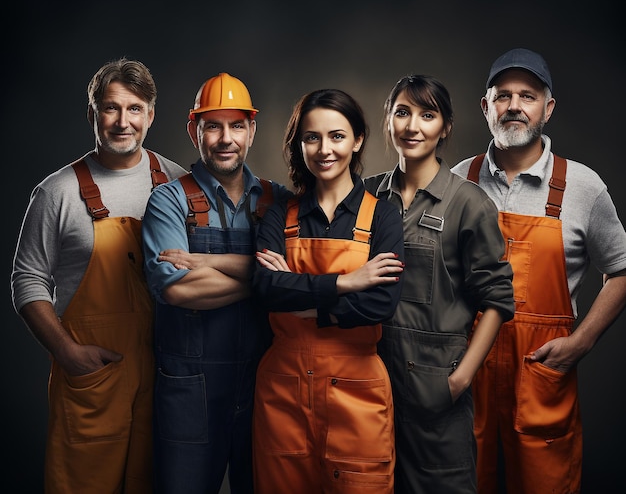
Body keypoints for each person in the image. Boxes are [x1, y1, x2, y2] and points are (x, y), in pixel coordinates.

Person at [451, 48, 626, 494]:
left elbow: (622, 270)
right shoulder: (457, 180)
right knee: (463, 478)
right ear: (485, 107)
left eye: (527, 96)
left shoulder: (583, 186)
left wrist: (581, 343)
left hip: (541, 367)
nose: (514, 106)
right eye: (503, 95)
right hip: (466, 364)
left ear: (547, 108)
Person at [10, 58, 187, 493]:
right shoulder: (58, 191)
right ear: (93, 114)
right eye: (110, 108)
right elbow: (27, 278)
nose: (122, 121)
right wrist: (67, 352)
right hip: (94, 375)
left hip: (167, 371)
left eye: (134, 108)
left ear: (150, 115)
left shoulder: (181, 183)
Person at [363, 75, 515, 494]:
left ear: (445, 126)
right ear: (389, 121)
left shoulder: (469, 203)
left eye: (427, 115)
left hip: (435, 392)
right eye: (403, 113)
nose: (413, 126)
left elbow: (498, 300)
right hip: (368, 385)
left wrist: (459, 381)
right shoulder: (366, 196)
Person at [141, 72, 290, 494]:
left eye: (237, 125)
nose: (226, 138)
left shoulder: (277, 200)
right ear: (194, 131)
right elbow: (177, 289)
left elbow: (300, 274)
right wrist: (265, 280)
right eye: (213, 125)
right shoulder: (168, 201)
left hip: (264, 385)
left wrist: (206, 264)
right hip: (189, 393)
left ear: (252, 130)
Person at [251, 88, 405, 494]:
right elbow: (267, 289)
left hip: (358, 391)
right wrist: (346, 282)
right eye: (311, 137)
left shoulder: (383, 216)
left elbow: (380, 303)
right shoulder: (278, 216)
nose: (324, 149)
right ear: (299, 144)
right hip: (283, 392)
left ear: (357, 141)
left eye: (337, 136)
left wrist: (305, 304)